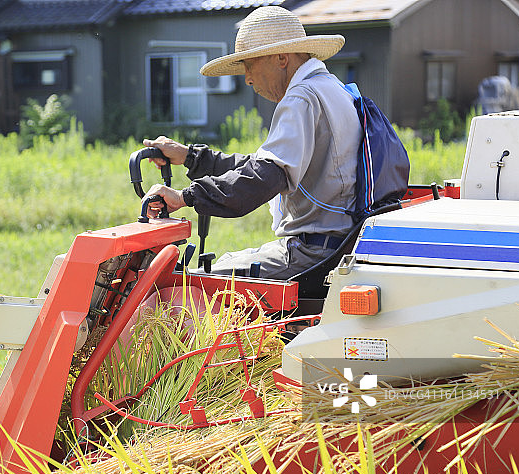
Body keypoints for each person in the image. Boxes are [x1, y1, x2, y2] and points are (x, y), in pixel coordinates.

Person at [142, 6, 361, 280]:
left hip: (314, 251)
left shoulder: (301, 98)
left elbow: (265, 177)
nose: (247, 78)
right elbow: (261, 165)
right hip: (337, 244)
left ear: (281, 58)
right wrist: (191, 157)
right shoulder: (330, 88)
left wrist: (186, 197)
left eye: (250, 64)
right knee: (224, 264)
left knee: (189, 283)